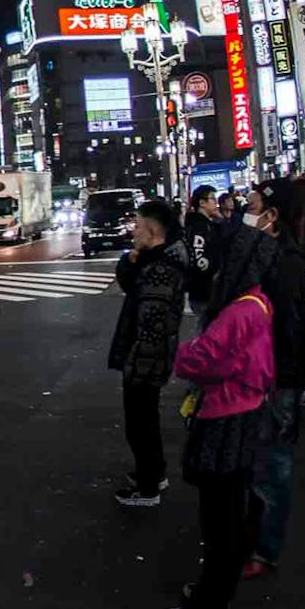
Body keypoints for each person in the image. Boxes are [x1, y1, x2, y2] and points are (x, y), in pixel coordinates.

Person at [163, 243, 275, 609]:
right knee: (229, 507)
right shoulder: (257, 301)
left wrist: (179, 352)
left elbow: (204, 358)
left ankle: (210, 603)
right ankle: (217, 585)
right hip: (245, 411)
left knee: (220, 514)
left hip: (227, 416)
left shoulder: (239, 311)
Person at [239, 178, 305, 580]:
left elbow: (284, 331)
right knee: (261, 462)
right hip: (270, 378)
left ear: (272, 216)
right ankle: (258, 542)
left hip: (275, 380)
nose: (247, 213)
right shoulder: (274, 257)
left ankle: (265, 551)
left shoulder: (284, 265)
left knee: (272, 465)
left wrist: (276, 379)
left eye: (253, 205)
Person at [111, 199, 189, 508]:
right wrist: (129, 260)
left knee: (140, 422)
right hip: (149, 353)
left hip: (146, 355)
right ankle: (153, 473)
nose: (133, 231)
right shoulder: (152, 258)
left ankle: (148, 488)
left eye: (138, 226)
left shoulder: (161, 269)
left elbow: (153, 324)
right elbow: (129, 284)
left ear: (153, 228)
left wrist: (136, 361)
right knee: (144, 419)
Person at [183, 187, 223, 314]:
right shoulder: (199, 226)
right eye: (212, 199)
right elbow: (199, 258)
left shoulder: (207, 224)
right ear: (202, 203)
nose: (215, 203)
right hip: (204, 291)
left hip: (206, 290)